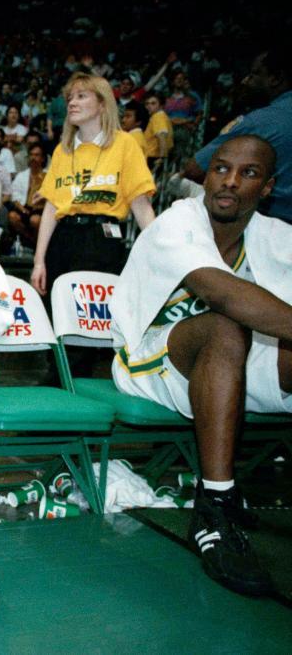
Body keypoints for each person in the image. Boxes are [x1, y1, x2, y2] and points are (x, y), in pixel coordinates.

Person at [111, 135, 290, 597]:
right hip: (149, 362)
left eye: (247, 173)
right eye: (220, 169)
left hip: (229, 365)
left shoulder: (276, 236)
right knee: (224, 324)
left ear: (268, 187)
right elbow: (224, 295)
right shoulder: (178, 222)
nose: (229, 182)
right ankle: (214, 502)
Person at [30, 72, 156, 297]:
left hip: (103, 239)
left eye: (81, 96)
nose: (72, 103)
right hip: (63, 239)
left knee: (98, 323)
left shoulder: (125, 144)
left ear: (101, 104)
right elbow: (51, 209)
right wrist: (39, 261)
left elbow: (142, 207)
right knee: (57, 318)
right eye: (70, 98)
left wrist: (161, 251)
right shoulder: (63, 150)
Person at [184, 47, 291, 224]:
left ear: (275, 78)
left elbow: (194, 169)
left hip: (271, 228)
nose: (246, 81)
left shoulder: (260, 121)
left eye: (255, 74)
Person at [8, 143, 48, 247]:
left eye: (37, 155)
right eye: (31, 155)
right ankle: (30, 240)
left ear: (43, 158)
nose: (33, 158)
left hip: (41, 208)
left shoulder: (48, 175)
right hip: (24, 207)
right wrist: (22, 209)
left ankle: (38, 245)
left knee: (35, 220)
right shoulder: (21, 175)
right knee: (12, 216)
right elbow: (14, 195)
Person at [142, 92, 173, 169]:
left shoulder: (158, 117)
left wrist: (161, 158)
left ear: (161, 105)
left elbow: (162, 137)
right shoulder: (160, 117)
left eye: (153, 103)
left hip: (153, 158)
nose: (149, 106)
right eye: (147, 104)